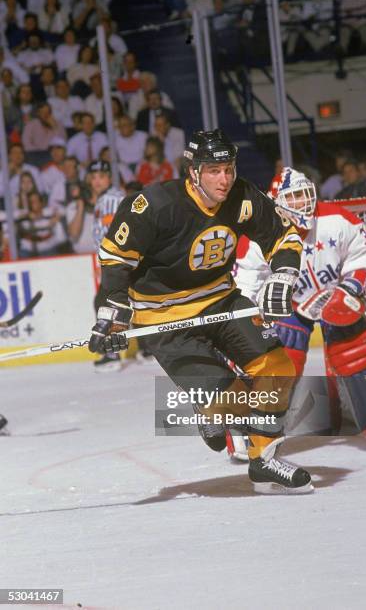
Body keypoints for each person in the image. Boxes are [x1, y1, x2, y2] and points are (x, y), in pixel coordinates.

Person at [88, 129, 313, 495]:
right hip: (163, 319)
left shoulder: (242, 196)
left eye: (228, 168)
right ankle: (210, 411)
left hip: (220, 300)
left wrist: (284, 273)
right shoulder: (154, 205)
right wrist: (112, 308)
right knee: (232, 401)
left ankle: (264, 460)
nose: (224, 178)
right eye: (214, 170)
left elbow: (282, 236)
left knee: (276, 369)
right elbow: (115, 258)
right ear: (194, 171)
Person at [234, 167, 366, 456]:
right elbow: (245, 282)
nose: (303, 204)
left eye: (304, 195)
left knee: (359, 347)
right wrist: (248, 318)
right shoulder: (259, 234)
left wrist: (351, 288)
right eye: (294, 198)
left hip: (335, 298)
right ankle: (254, 431)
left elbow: (362, 253)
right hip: (287, 305)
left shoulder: (336, 219)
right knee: (279, 359)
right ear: (277, 202)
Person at [88, 159, 126, 371]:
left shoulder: (112, 199)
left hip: (118, 261)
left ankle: (112, 354)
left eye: (101, 176)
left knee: (105, 306)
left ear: (109, 178)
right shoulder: (104, 200)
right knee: (122, 305)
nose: (97, 181)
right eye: (93, 177)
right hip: (114, 261)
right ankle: (146, 349)